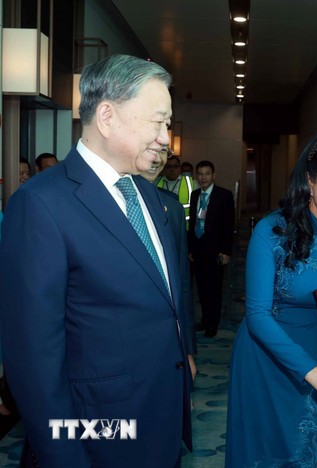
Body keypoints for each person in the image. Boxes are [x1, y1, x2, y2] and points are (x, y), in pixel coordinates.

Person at [0, 54, 192, 466]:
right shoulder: (40, 205)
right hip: (99, 438)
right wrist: (65, 455)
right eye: (158, 121)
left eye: (168, 123)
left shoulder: (148, 197)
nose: (166, 137)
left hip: (159, 425)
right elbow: (34, 361)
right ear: (107, 116)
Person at [225, 132, 317, 467]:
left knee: (307, 449)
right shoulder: (272, 231)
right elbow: (257, 314)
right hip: (266, 356)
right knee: (265, 452)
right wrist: (314, 373)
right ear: (310, 179)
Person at [142, 147, 197, 372]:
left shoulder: (171, 206)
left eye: (162, 152)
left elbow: (181, 278)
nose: (157, 158)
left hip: (164, 323)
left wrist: (187, 348)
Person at [188, 160, 235, 337]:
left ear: (213, 175)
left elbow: (229, 225)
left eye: (207, 173)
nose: (203, 177)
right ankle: (205, 320)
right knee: (201, 289)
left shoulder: (224, 195)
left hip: (217, 251)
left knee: (214, 289)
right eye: (200, 174)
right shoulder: (194, 195)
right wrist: (191, 249)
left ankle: (212, 324)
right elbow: (193, 223)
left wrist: (227, 251)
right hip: (198, 250)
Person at [155, 155, 194, 225]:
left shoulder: (191, 182)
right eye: (168, 167)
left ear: (180, 168)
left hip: (184, 226)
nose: (172, 169)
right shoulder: (155, 183)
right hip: (163, 225)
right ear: (164, 168)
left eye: (175, 166)